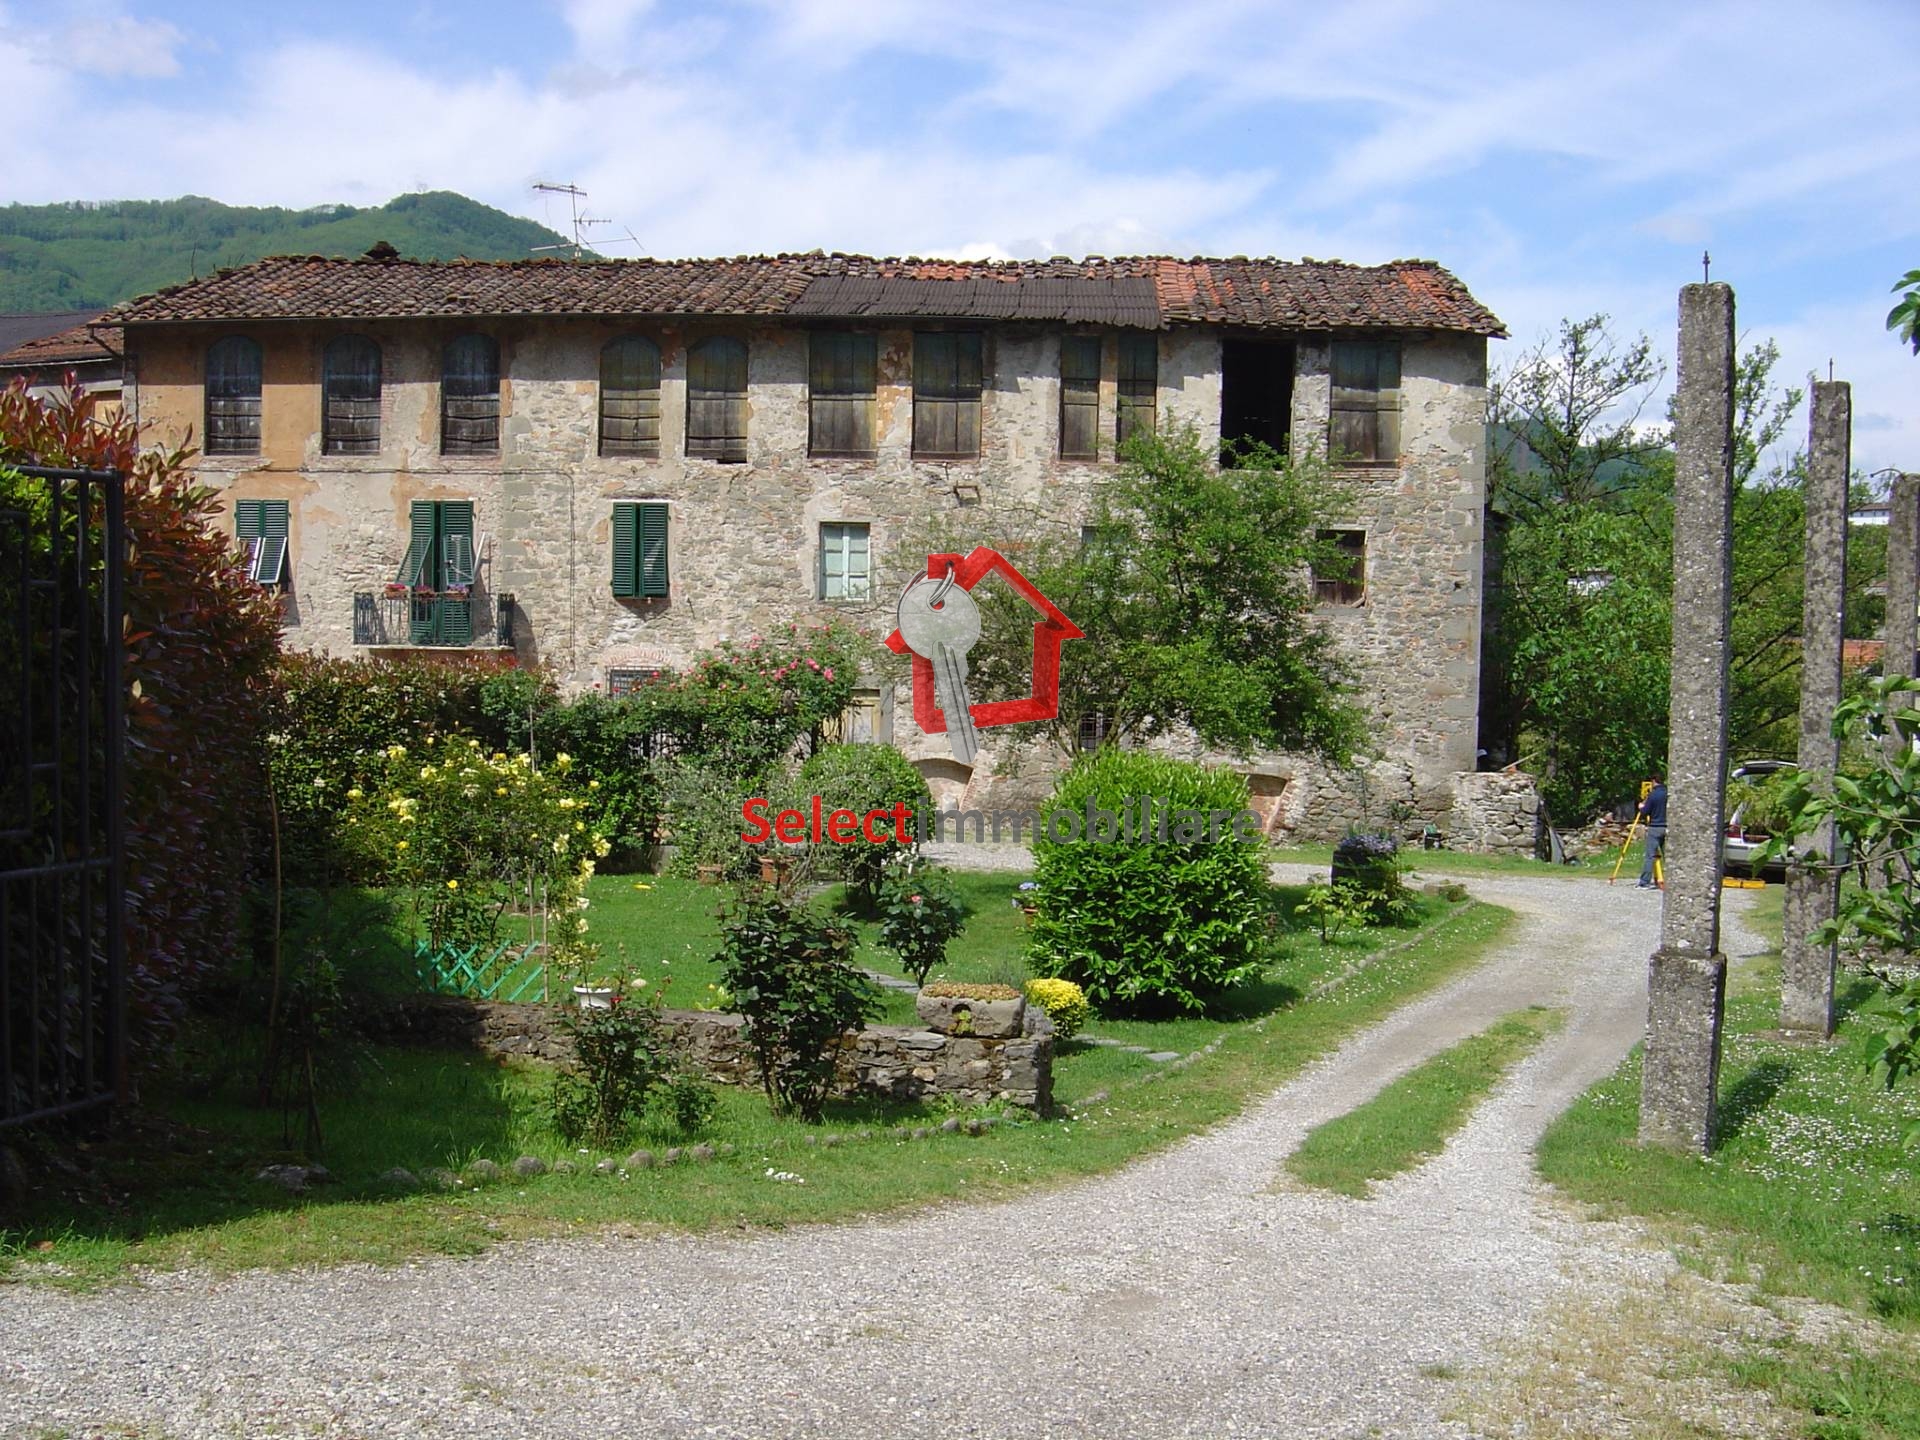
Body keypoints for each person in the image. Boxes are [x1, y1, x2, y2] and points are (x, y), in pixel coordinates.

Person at [1637, 775, 1668, 888]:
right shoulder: (1668, 794)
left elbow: (1645, 811)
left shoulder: (1653, 795)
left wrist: (1641, 806)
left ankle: (1644, 882)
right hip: (1667, 826)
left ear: (1653, 781)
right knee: (1669, 856)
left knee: (1650, 856)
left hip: (1655, 827)